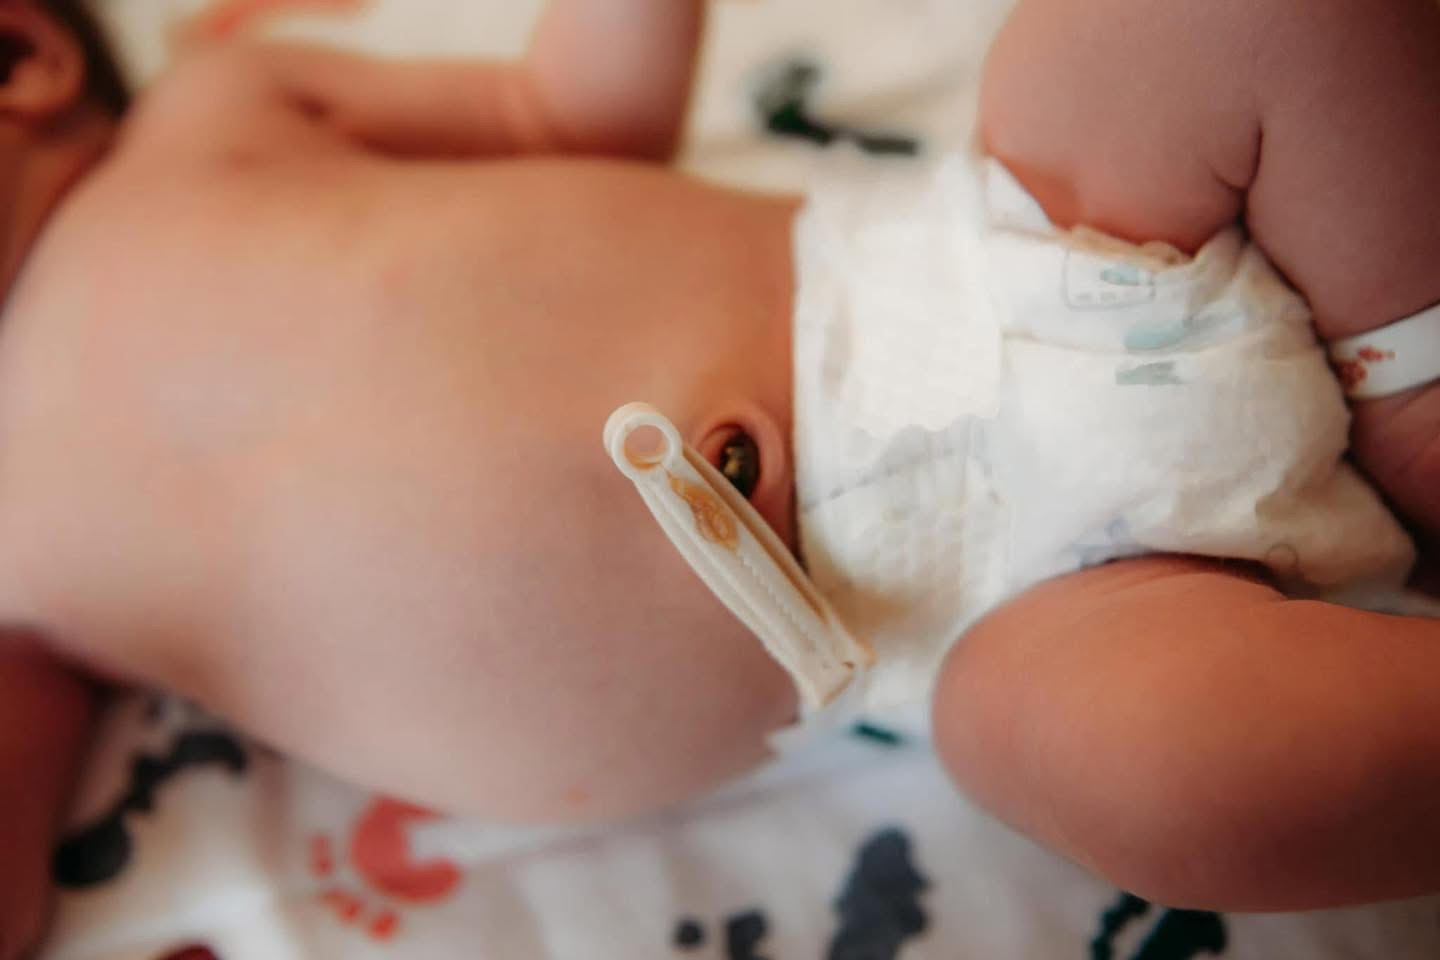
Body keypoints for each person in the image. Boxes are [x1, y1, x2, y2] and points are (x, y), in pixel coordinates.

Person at [0, 0, 1435, 953]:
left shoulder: (219, 113)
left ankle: (1412, 389)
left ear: (23, 63)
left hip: (1034, 262)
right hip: (1003, 627)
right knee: (1180, 785)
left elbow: (569, 120)